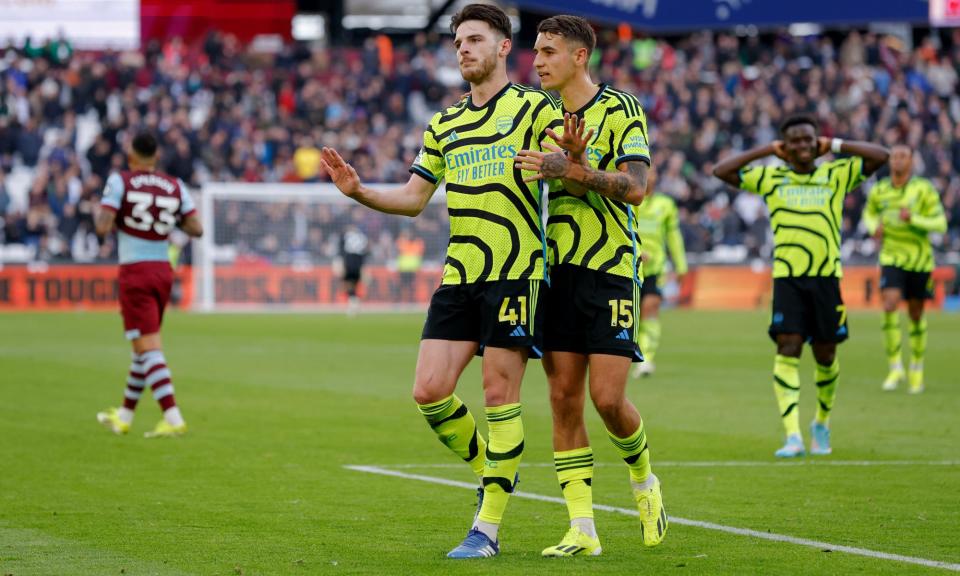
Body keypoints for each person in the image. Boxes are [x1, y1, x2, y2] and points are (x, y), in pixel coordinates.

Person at [319, 3, 562, 559]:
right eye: (457, 42)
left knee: (499, 395)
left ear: (504, 47)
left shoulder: (533, 107)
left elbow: (570, 158)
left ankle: (487, 529)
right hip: (461, 274)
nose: (463, 50)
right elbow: (412, 198)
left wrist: (563, 157)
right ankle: (495, 470)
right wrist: (359, 191)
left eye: (474, 39)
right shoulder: (445, 123)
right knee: (429, 390)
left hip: (516, 269)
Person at [512, 15, 666, 556]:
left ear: (580, 56)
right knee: (561, 398)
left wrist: (572, 168)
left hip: (611, 267)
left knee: (607, 398)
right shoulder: (535, 114)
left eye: (549, 51)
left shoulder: (621, 108)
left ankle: (644, 480)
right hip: (554, 270)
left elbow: (635, 188)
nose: (537, 60)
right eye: (535, 51)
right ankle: (582, 528)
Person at [713, 115, 889, 457]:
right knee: (788, 347)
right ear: (785, 147)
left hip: (826, 278)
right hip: (788, 278)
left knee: (826, 354)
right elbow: (722, 171)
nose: (803, 145)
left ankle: (821, 422)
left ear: (817, 142)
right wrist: (767, 150)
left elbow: (880, 155)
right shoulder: (771, 177)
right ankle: (792, 435)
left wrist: (835, 144)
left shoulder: (835, 174)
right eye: (794, 141)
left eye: (808, 139)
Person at [95, 132, 203, 438]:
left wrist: (113, 215)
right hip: (162, 271)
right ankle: (125, 416)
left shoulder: (121, 181)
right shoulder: (175, 186)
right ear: (157, 157)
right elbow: (196, 228)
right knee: (143, 347)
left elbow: (103, 226)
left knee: (148, 347)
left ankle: (172, 415)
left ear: (131, 156)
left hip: (135, 271)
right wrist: (166, 217)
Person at [862, 145, 947, 393]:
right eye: (894, 156)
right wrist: (872, 227)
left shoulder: (924, 189)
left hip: (920, 260)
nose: (898, 161)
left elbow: (940, 224)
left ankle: (917, 368)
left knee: (916, 313)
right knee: (889, 304)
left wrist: (915, 219)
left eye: (903, 156)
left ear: (911, 161)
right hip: (891, 257)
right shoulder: (880, 191)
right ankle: (895, 366)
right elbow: (868, 214)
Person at [631, 165, 688, 377]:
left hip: (655, 269)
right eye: (646, 172)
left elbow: (673, 236)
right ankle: (631, 354)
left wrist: (681, 266)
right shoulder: (625, 199)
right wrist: (635, 251)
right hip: (628, 266)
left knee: (651, 309)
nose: (650, 176)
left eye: (653, 172)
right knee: (633, 316)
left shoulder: (665, 205)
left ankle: (646, 359)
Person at [339, 223, 369, 315]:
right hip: (358, 263)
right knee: (354, 284)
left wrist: (341, 263)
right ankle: (354, 303)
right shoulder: (363, 238)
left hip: (349, 262)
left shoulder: (347, 236)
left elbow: (341, 249)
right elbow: (366, 252)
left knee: (348, 285)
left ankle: (353, 303)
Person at [395, 228, 425, 303]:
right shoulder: (402, 241)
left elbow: (420, 253)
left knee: (411, 286)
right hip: (404, 268)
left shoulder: (417, 242)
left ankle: (411, 300)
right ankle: (398, 300)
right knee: (402, 285)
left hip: (412, 269)